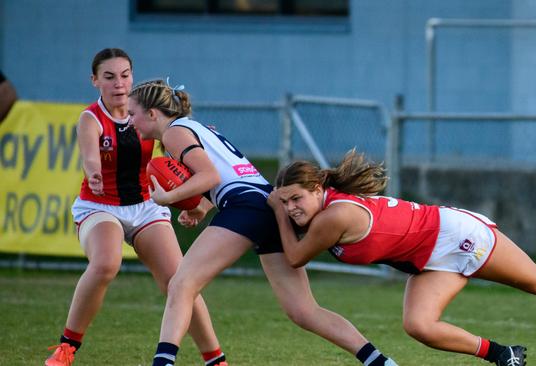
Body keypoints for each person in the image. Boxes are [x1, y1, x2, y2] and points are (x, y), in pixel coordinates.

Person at [267, 150, 536, 366]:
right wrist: (283, 209)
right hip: (427, 261)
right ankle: (505, 355)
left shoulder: (334, 216)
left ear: (319, 189)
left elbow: (296, 257)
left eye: (296, 199)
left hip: (456, 236)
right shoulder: (321, 212)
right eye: (284, 201)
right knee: (419, 327)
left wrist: (274, 211)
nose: (291, 208)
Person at [127, 79, 397, 366]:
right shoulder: (194, 127)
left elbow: (210, 176)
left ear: (153, 113)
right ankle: (379, 362)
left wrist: (169, 196)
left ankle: (164, 362)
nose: (130, 120)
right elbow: (224, 175)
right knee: (304, 311)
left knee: (181, 283)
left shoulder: (173, 133)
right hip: (266, 204)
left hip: (248, 205)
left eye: (132, 113)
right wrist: (203, 206)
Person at [45, 49, 226, 366]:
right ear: (95, 81)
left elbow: (193, 159)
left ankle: (215, 359)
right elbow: (90, 156)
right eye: (109, 76)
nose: (119, 83)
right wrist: (94, 172)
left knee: (180, 281)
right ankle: (67, 347)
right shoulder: (91, 118)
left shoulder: (146, 114)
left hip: (146, 206)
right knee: (106, 264)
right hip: (99, 206)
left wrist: (198, 201)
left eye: (125, 74)